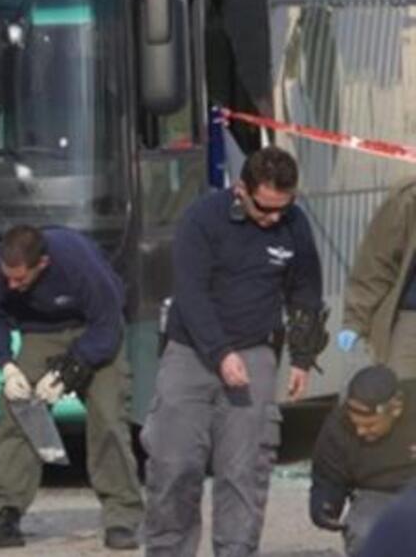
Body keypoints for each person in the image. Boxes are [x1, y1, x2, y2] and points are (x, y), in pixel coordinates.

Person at [142, 146, 327, 556]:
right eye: (265, 208)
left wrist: (301, 355)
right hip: (191, 352)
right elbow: (191, 294)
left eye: (284, 207)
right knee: (175, 465)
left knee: (244, 470)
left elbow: (305, 291)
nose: (273, 218)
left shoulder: (293, 225)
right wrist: (221, 352)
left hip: (256, 352)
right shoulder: (202, 219)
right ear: (241, 190)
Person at [0, 225, 142, 551]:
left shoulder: (78, 262)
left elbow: (107, 324)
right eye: (8, 278)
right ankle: (4, 514)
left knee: (108, 416)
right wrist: (5, 364)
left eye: (20, 279)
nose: (12, 286)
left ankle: (122, 517)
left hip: (92, 331)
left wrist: (69, 372)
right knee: (17, 412)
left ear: (42, 264)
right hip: (39, 333)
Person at [309, 365, 416, 556]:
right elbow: (327, 476)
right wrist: (325, 504)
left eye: (370, 425)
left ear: (395, 409)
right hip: (375, 492)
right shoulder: (338, 426)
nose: (360, 431)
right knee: (365, 533)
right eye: (356, 424)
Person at [340, 177, 416, 378]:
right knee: (401, 398)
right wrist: (356, 320)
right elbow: (377, 263)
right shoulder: (408, 198)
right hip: (411, 322)